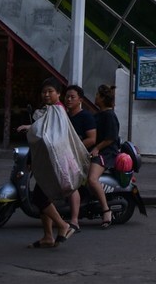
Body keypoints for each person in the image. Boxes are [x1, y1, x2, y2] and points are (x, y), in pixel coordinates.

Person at [16, 79, 84, 249]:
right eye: (44, 92)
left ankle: (62, 225)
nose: (46, 94)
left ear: (58, 93)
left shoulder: (57, 111)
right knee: (44, 198)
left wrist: (31, 129)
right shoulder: (48, 111)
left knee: (40, 198)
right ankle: (47, 236)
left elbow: (49, 137)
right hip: (47, 163)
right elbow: (43, 135)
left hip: (56, 164)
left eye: (50, 91)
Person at [63, 84, 96, 231]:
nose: (69, 99)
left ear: (80, 100)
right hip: (64, 154)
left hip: (80, 157)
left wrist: (75, 147)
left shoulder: (86, 116)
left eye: (72, 97)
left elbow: (92, 138)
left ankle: (74, 220)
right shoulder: (65, 116)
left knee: (72, 184)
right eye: (67, 97)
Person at [87, 83, 120, 228]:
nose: (95, 97)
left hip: (106, 152)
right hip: (97, 150)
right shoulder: (99, 114)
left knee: (92, 179)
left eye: (97, 95)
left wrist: (96, 149)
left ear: (102, 98)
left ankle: (106, 210)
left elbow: (110, 138)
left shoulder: (109, 115)